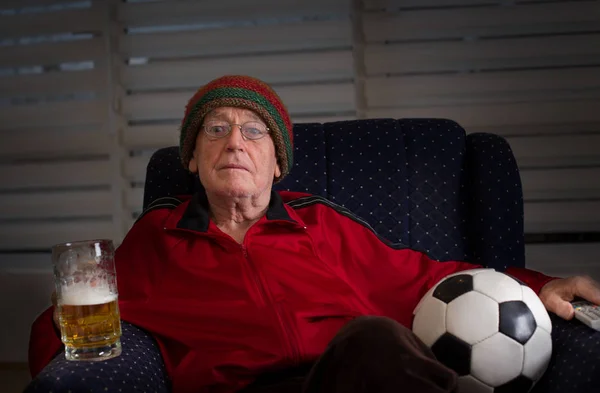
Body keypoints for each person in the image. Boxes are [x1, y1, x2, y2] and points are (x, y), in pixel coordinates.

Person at [28, 75, 600, 393]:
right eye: (217, 130)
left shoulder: (319, 222)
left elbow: (429, 277)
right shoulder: (158, 236)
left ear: (277, 164)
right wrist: (72, 358)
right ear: (194, 159)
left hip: (344, 381)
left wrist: (541, 285)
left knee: (374, 339)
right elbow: (64, 327)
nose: (234, 142)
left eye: (254, 132)